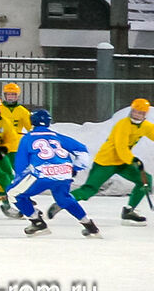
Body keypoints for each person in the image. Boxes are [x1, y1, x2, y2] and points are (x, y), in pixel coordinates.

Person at [9, 109, 99, 237]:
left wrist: (18, 181)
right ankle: (90, 227)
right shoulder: (57, 136)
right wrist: (75, 168)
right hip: (64, 173)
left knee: (13, 193)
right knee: (64, 199)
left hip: (42, 174)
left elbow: (21, 165)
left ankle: (37, 223)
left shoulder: (27, 138)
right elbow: (82, 150)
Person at [65, 96, 153, 224]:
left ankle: (129, 211)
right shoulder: (123, 124)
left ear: (144, 115)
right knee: (90, 189)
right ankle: (64, 201)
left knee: (145, 180)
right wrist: (134, 160)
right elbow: (120, 148)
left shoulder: (145, 126)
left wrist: (132, 161)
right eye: (135, 111)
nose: (136, 115)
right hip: (106, 162)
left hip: (122, 163)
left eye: (140, 113)